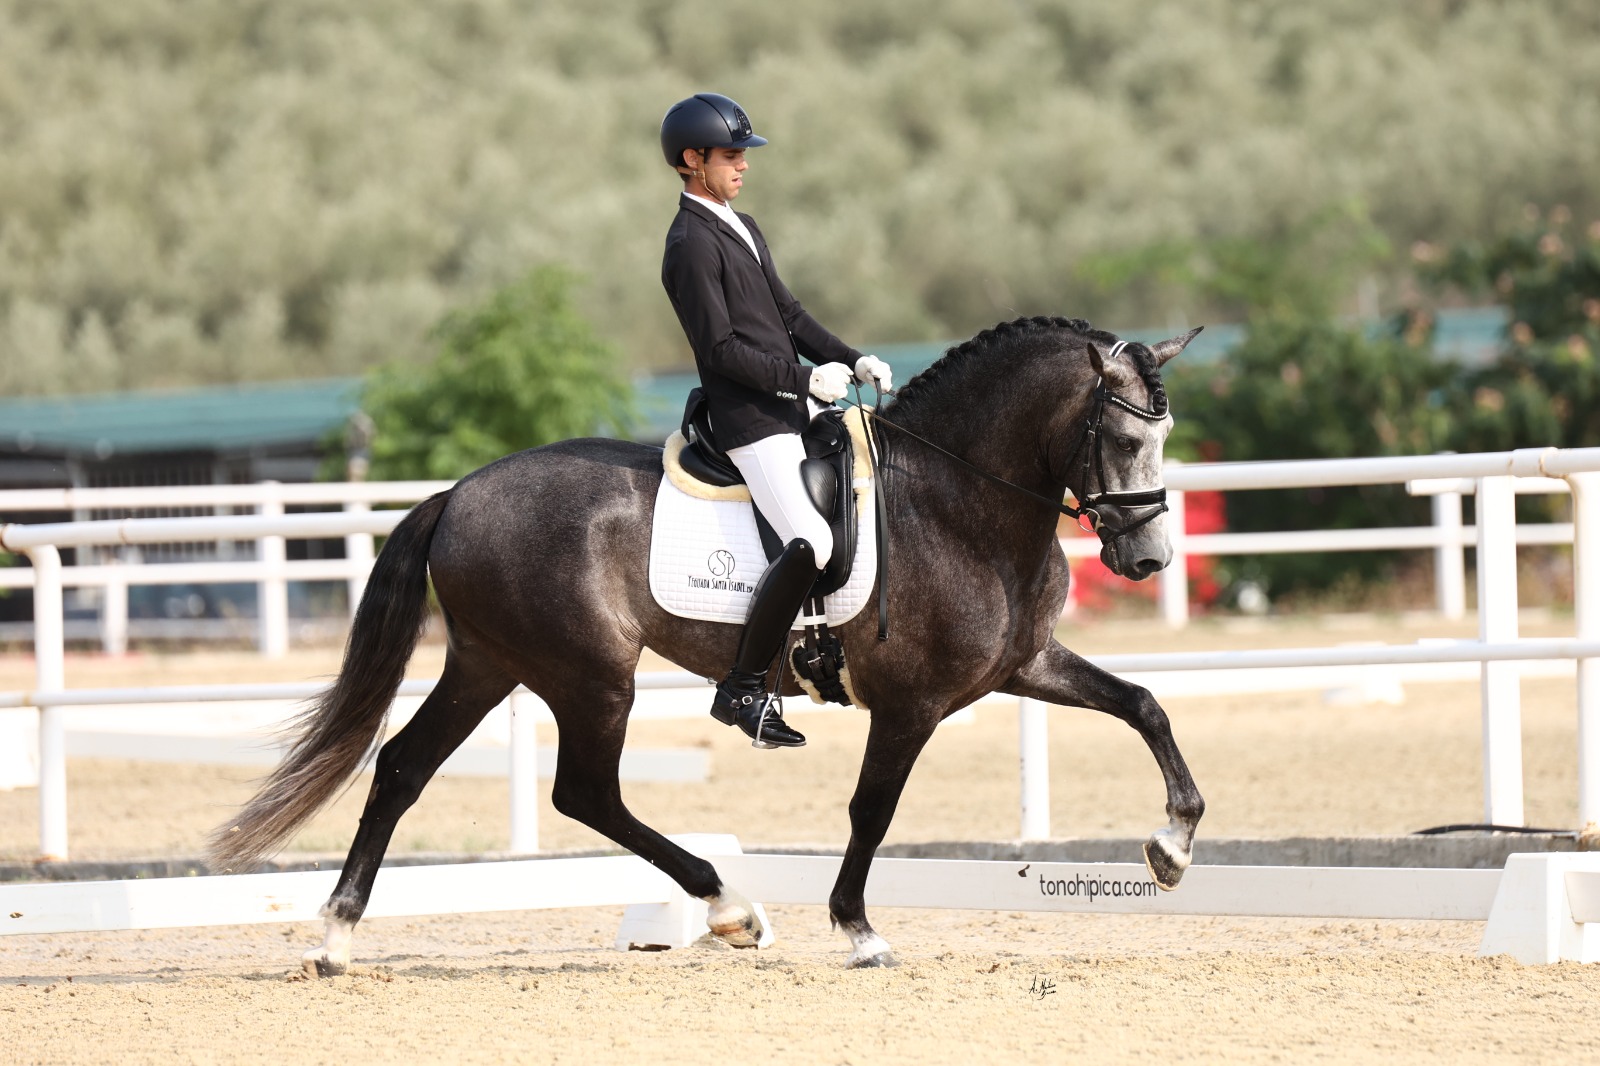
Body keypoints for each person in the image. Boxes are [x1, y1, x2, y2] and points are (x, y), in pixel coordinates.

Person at [659, 92, 891, 749]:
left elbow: (788, 316)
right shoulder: (688, 245)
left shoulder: (742, 225)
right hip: (748, 421)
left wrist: (851, 358)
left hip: (786, 407)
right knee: (810, 543)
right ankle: (741, 688)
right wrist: (803, 377)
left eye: (743, 156)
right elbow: (721, 351)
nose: (743, 166)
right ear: (691, 160)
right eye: (732, 156)